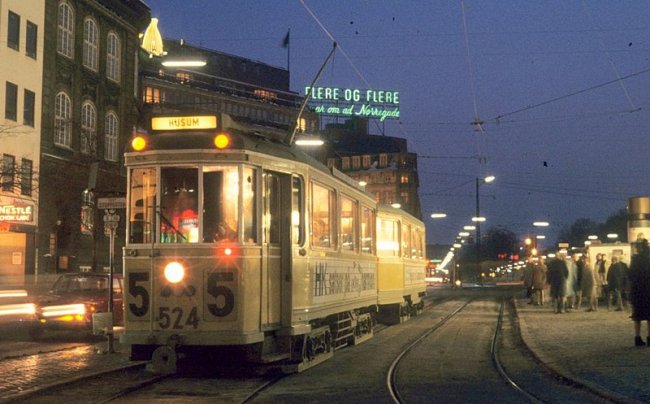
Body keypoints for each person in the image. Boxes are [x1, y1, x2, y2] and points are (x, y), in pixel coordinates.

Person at [629, 238, 650, 346]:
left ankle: (637, 338)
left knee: (637, 315)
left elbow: (630, 274)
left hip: (637, 291)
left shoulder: (635, 259)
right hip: (648, 290)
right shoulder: (648, 258)